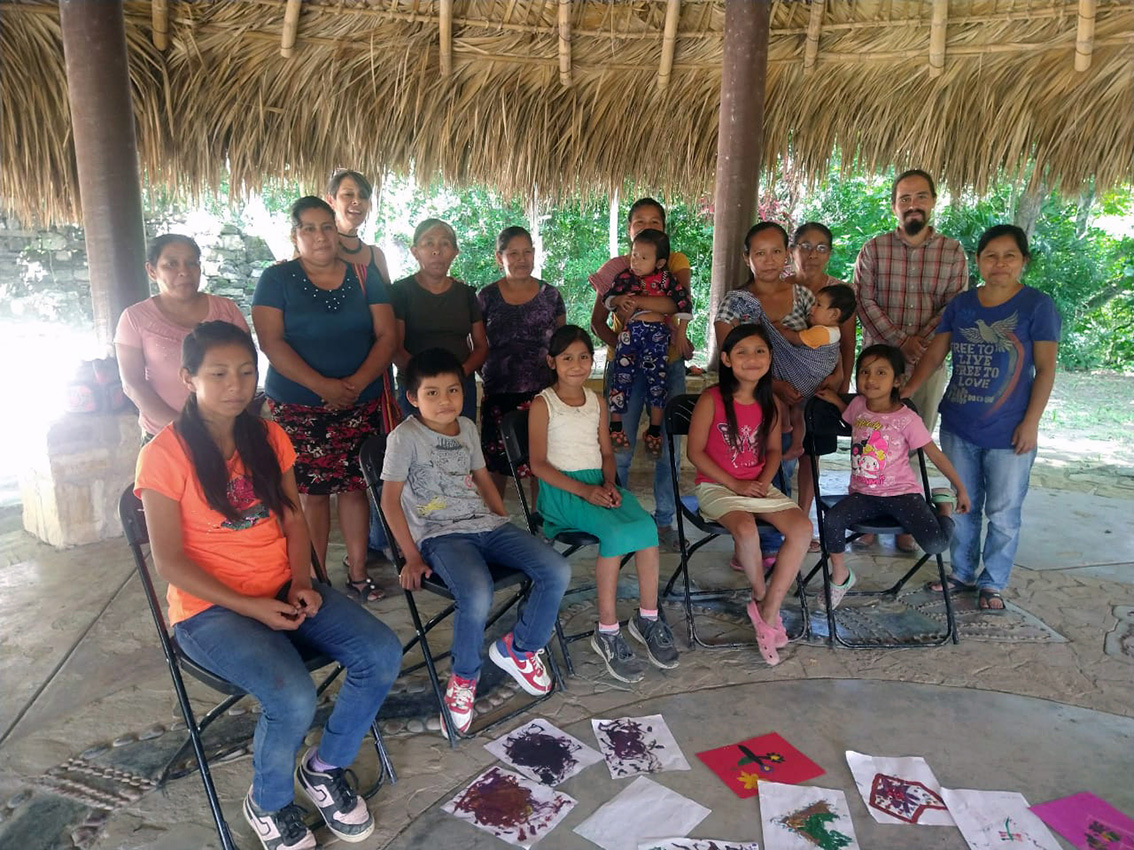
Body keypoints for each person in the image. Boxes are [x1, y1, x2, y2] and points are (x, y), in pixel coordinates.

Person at [135, 321, 400, 850]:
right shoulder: (162, 455)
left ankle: (324, 769)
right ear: (188, 378)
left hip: (283, 585)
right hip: (210, 610)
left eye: (245, 371)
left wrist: (301, 581)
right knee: (293, 697)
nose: (235, 384)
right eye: (218, 373)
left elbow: (294, 517)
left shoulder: (268, 435)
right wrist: (253, 607)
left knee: (382, 651)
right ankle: (269, 801)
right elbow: (169, 563)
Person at [379, 348, 570, 737]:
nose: (445, 400)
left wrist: (500, 518)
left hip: (487, 525)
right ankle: (463, 680)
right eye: (432, 393)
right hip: (440, 536)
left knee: (556, 568)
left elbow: (482, 478)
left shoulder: (466, 426)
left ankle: (520, 649)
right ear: (412, 398)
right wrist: (410, 556)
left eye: (453, 390)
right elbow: (389, 500)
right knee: (478, 591)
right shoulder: (404, 438)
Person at [903, 224, 1060, 611]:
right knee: (964, 503)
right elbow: (936, 354)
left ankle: (993, 582)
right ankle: (961, 573)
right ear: (978, 261)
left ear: (1024, 261)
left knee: (1004, 513)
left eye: (1009, 256)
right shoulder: (962, 304)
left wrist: (1031, 422)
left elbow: (1046, 369)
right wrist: (906, 391)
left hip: (1011, 430)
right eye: (991, 255)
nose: (1000, 263)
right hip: (959, 424)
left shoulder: (1038, 306)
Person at [251, 197, 397, 604]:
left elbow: (386, 335)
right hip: (298, 406)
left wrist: (353, 384)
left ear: (337, 231)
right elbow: (270, 342)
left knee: (355, 488)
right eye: (309, 228)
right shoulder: (276, 279)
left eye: (326, 226)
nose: (320, 236)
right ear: (295, 235)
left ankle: (358, 573)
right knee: (311, 493)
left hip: (358, 401)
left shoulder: (365, 277)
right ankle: (315, 578)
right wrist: (323, 386)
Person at [528, 325, 678, 684]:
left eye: (584, 357)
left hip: (598, 484)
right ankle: (607, 631)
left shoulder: (597, 401)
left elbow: (607, 453)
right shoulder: (542, 404)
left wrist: (609, 483)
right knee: (613, 532)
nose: (577, 365)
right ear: (552, 362)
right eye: (567, 358)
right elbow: (538, 465)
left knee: (644, 528)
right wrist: (585, 491)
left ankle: (647, 617)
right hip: (563, 494)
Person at [853, 169, 968, 551]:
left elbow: (954, 305)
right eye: (904, 199)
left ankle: (908, 519)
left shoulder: (952, 253)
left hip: (928, 364)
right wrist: (901, 341)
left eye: (920, 197)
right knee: (871, 439)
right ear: (894, 206)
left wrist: (919, 346)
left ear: (933, 201)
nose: (912, 205)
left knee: (915, 439)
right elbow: (863, 300)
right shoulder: (874, 249)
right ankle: (867, 516)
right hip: (879, 367)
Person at [686, 324, 812, 667]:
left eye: (760, 351)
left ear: (770, 358)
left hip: (757, 483)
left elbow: (773, 451)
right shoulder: (711, 400)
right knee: (745, 528)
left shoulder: (770, 401)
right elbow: (695, 453)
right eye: (742, 352)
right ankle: (759, 597)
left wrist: (761, 481)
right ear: (726, 359)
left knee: (802, 529)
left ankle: (769, 609)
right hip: (716, 485)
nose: (752, 359)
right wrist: (735, 484)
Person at [815, 344, 971, 609]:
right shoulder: (858, 407)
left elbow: (934, 453)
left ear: (897, 380)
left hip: (902, 495)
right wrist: (836, 401)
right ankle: (840, 574)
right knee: (831, 520)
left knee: (934, 544)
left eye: (881, 372)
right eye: (864, 372)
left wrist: (960, 488)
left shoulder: (906, 419)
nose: (871, 379)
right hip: (864, 495)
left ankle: (942, 507)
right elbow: (852, 419)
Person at [589, 197, 692, 550]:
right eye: (639, 222)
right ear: (629, 231)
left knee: (667, 445)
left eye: (655, 221)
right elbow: (598, 319)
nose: (647, 226)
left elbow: (677, 303)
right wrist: (621, 344)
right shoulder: (618, 268)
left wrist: (634, 302)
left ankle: (665, 521)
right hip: (626, 366)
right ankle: (619, 515)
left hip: (669, 360)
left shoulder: (673, 263)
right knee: (619, 444)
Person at [325, 168, 403, 566]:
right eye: (348, 194)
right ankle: (345, 557)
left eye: (363, 195)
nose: (356, 201)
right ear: (332, 200)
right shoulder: (317, 253)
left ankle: (379, 537)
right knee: (334, 473)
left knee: (380, 454)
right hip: (329, 374)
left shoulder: (375, 256)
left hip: (375, 372)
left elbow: (385, 315)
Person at [115, 234, 248, 440]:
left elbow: (247, 367)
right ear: (152, 270)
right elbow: (133, 383)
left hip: (228, 433)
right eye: (171, 264)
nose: (184, 272)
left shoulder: (226, 310)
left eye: (191, 263)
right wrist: (185, 429)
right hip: (166, 436)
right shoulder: (135, 318)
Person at [477, 225, 566, 498]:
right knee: (495, 464)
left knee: (542, 464)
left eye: (527, 252)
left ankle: (544, 523)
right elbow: (476, 343)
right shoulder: (486, 297)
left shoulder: (550, 295)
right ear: (498, 257)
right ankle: (495, 523)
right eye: (513, 253)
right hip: (499, 393)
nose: (521, 259)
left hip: (542, 394)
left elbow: (562, 345)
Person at [605, 229, 693, 457]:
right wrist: (618, 300)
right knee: (621, 376)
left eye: (644, 257)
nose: (636, 261)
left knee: (658, 382)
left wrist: (681, 334)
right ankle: (615, 426)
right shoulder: (624, 277)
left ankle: (654, 430)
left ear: (660, 262)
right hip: (631, 332)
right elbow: (608, 299)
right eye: (634, 255)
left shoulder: (667, 280)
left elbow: (684, 304)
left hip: (657, 336)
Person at [390, 219, 488, 422]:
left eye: (445, 243)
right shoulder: (400, 292)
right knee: (419, 449)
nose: (437, 250)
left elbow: (480, 347)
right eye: (429, 243)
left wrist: (456, 377)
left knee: (461, 446)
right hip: (418, 390)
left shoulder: (466, 294)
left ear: (455, 252)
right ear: (415, 251)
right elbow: (395, 348)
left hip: (459, 388)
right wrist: (428, 380)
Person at [771, 282, 857, 461]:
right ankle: (795, 443)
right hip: (816, 384)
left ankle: (789, 432)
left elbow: (795, 339)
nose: (812, 308)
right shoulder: (833, 331)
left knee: (790, 404)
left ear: (834, 314)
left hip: (808, 381)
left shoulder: (821, 332)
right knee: (798, 411)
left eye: (818, 305)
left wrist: (778, 329)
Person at [784, 222, 856, 394]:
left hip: (826, 383)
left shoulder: (840, 292)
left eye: (821, 248)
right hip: (783, 379)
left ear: (829, 255)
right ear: (791, 251)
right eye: (806, 246)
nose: (813, 255)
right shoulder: (779, 289)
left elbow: (847, 343)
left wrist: (843, 385)